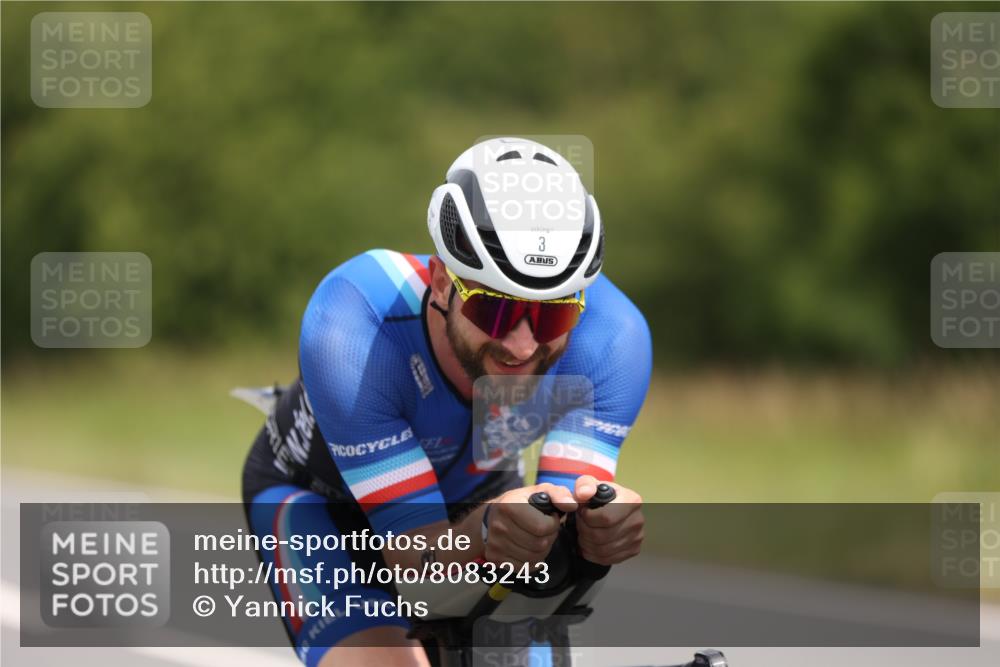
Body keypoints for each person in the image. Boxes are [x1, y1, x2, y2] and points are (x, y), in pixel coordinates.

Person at [241, 137, 652, 667]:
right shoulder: (354, 325)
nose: (522, 345)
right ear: (440, 282)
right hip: (324, 509)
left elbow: (559, 550)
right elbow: (418, 566)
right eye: (494, 311)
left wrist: (597, 536)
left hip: (482, 502)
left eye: (552, 315)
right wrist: (485, 530)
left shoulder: (611, 339)